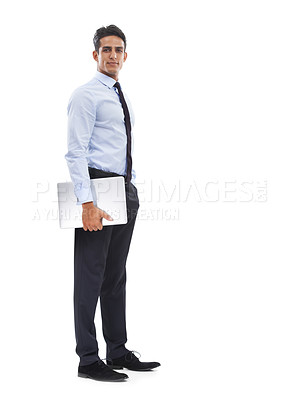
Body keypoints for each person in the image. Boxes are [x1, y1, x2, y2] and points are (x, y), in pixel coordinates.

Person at [65, 25, 160, 382]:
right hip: (98, 188)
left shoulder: (122, 95)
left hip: (123, 190)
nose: (113, 56)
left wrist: (131, 186)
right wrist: (86, 202)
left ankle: (117, 350)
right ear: (95, 55)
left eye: (118, 50)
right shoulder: (86, 96)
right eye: (106, 50)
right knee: (89, 276)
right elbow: (75, 152)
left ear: (125, 55)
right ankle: (88, 359)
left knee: (115, 276)